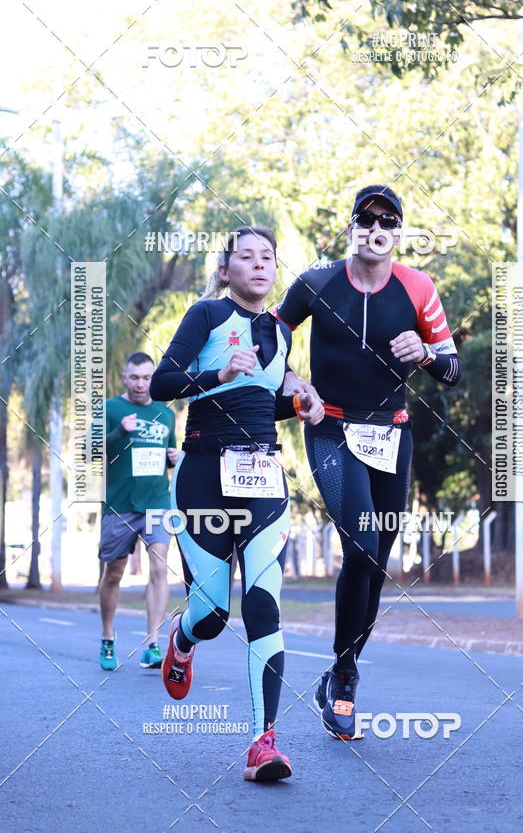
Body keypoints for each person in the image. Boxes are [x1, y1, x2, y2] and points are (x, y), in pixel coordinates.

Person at [276, 184, 462, 739]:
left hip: (391, 433)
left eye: (388, 221)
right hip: (330, 427)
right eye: (366, 218)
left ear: (399, 233)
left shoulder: (418, 287)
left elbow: (453, 369)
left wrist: (425, 354)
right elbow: (270, 337)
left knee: (377, 561)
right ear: (352, 226)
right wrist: (292, 380)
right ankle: (346, 676)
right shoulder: (316, 282)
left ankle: (341, 669)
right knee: (360, 542)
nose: (376, 229)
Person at [149, 226, 323, 782]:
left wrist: (301, 404)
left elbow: (260, 402)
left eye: (267, 257)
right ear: (227, 270)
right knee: (213, 613)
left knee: (263, 603)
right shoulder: (206, 314)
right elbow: (161, 383)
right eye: (246, 257)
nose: (259, 264)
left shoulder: (280, 333)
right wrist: (218, 373)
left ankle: (262, 742)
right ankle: (183, 638)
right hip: (202, 475)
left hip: (263, 476)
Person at [99, 352, 179, 671]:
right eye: (134, 377)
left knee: (159, 567)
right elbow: (91, 451)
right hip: (120, 504)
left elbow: (168, 455)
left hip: (158, 501)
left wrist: (175, 458)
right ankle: (108, 637)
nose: (140, 384)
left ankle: (152, 644)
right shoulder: (110, 409)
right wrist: (120, 431)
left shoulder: (165, 413)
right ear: (124, 378)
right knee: (114, 573)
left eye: (146, 377)